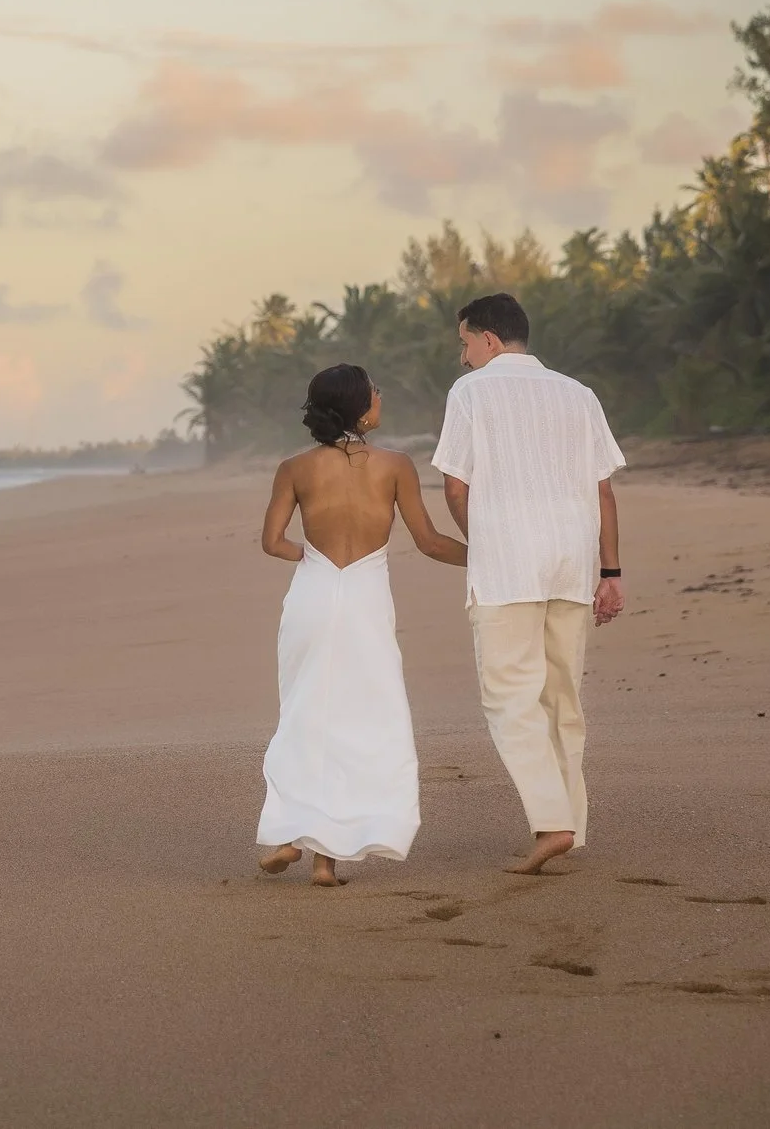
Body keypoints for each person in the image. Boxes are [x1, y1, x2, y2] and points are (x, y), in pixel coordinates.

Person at [431, 291, 626, 876]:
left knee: (509, 696)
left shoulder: (470, 391)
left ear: (489, 340)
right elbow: (604, 490)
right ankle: (567, 819)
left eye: (465, 344)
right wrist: (611, 573)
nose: (463, 358)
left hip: (508, 567)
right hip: (572, 563)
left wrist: (484, 544)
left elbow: (456, 487)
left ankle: (553, 822)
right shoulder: (577, 393)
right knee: (562, 697)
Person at [256, 364, 468, 887]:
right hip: (367, 599)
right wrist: (490, 559)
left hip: (313, 593)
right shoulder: (395, 465)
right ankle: (328, 858)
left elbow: (272, 542)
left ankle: (289, 834)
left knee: (306, 711)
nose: (381, 396)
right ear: (358, 405)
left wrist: (312, 558)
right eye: (375, 391)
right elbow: (430, 542)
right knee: (366, 717)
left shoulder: (295, 468)